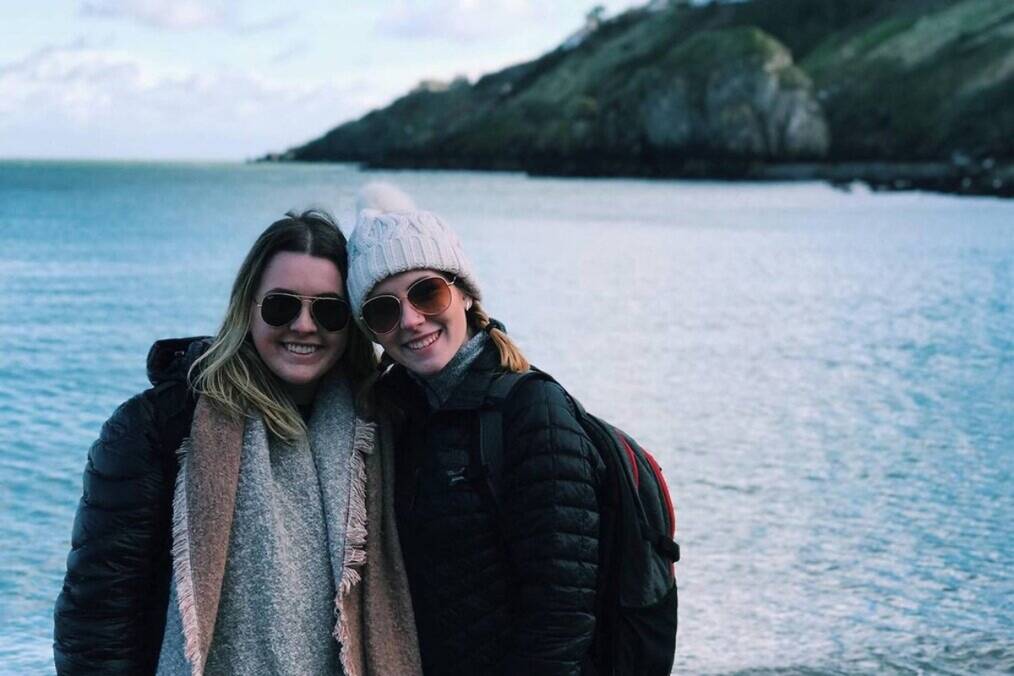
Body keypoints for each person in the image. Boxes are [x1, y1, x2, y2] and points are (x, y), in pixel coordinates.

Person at [53, 210, 421, 676]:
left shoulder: (383, 428)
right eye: (281, 306)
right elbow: (96, 623)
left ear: (352, 324)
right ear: (247, 307)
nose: (305, 326)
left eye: (328, 310)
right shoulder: (158, 428)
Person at [347, 185, 604, 675]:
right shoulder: (393, 416)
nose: (411, 320)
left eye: (427, 292)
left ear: (464, 294)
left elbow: (562, 615)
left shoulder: (532, 411)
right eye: (383, 310)